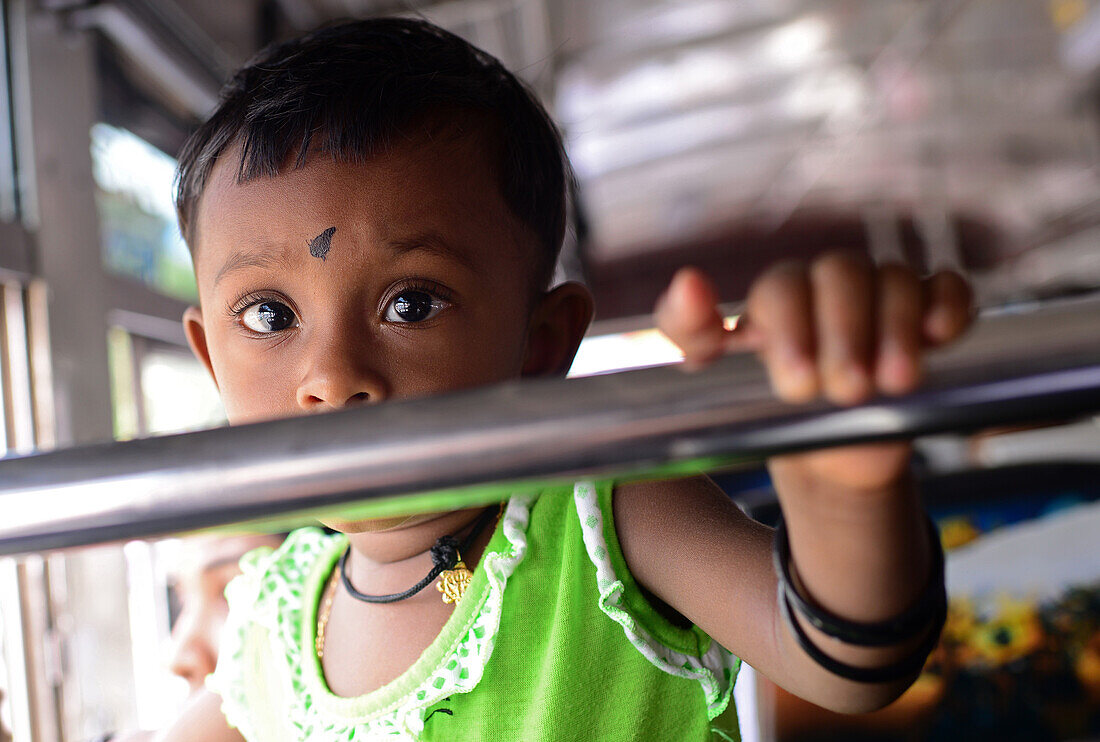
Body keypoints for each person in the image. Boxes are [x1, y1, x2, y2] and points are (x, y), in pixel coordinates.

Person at [155, 17, 973, 742]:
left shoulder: (604, 515)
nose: (332, 377)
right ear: (208, 357)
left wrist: (837, 480)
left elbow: (848, 661)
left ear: (541, 343)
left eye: (410, 303)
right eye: (267, 316)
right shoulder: (273, 623)